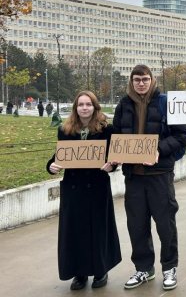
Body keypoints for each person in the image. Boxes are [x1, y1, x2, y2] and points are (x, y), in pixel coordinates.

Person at [111, 64, 186, 291]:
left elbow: (182, 135)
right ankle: (144, 268)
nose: (141, 83)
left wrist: (159, 150)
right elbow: (116, 136)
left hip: (160, 175)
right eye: (137, 79)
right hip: (134, 177)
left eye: (145, 79)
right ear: (131, 81)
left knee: (165, 224)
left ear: (151, 79)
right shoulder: (123, 105)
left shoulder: (165, 103)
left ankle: (169, 268)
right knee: (137, 226)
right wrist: (113, 157)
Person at [46, 91, 121, 290]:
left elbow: (114, 158)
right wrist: (51, 166)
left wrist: (111, 165)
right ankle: (78, 273)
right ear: (75, 108)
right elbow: (59, 156)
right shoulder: (65, 129)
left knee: (97, 230)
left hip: (97, 187)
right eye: (81, 104)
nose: (84, 108)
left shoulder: (107, 129)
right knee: (75, 231)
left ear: (95, 107)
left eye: (88, 104)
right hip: (74, 188)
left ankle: (100, 270)